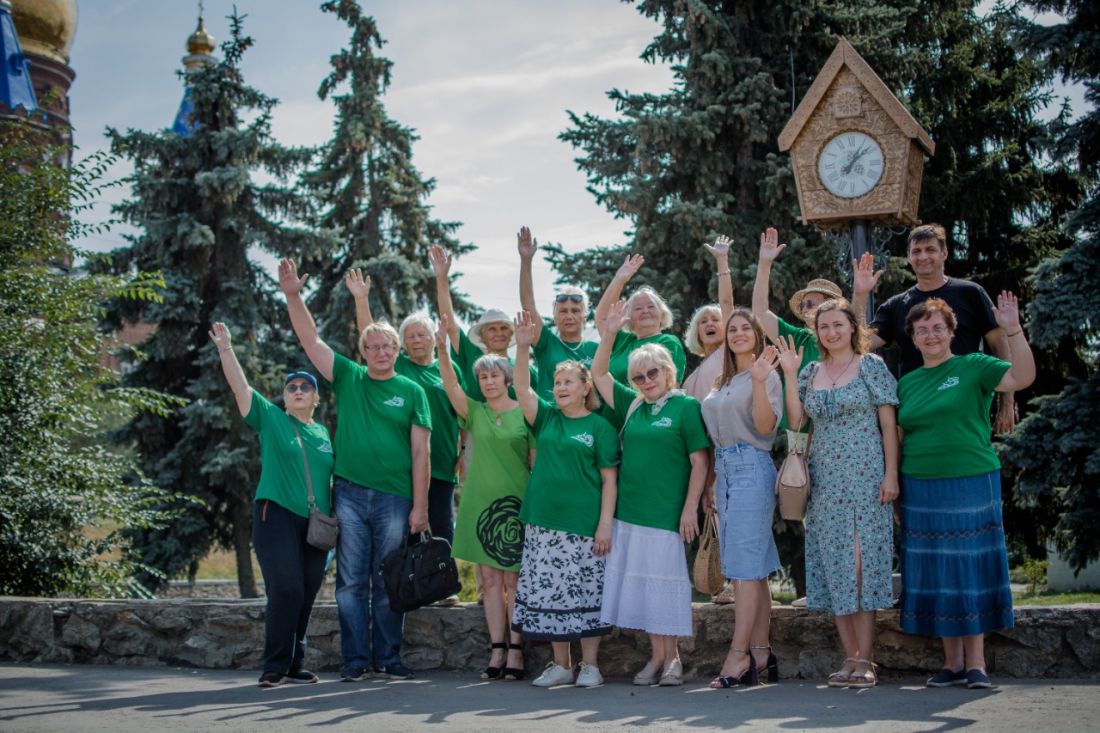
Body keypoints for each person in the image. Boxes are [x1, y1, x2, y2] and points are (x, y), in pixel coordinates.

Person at [279, 259, 431, 683]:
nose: (381, 352)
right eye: (373, 347)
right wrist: (294, 295)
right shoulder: (349, 377)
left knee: (388, 582)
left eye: (388, 347)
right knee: (349, 583)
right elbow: (311, 340)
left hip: (396, 499)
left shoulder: (412, 390)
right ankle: (356, 661)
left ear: (397, 351)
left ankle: (389, 658)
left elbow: (422, 454)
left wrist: (420, 507)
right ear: (363, 352)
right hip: (347, 493)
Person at [896, 295, 1035, 690]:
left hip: (971, 479)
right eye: (922, 330)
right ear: (913, 338)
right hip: (920, 484)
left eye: (938, 327)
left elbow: (1022, 378)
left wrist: (1013, 328)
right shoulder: (906, 382)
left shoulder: (974, 366)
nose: (931, 335)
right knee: (938, 570)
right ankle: (951, 664)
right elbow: (900, 437)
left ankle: (977, 665)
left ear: (952, 332)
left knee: (968, 569)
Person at [776, 298, 899, 689]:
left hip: (866, 479)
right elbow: (797, 421)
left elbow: (888, 425)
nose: (831, 332)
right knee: (836, 573)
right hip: (825, 483)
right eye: (824, 326)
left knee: (861, 572)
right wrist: (790, 373)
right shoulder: (811, 371)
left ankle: (868, 661)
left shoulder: (871, 367)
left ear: (852, 328)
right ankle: (850, 658)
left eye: (838, 325)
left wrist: (891, 475)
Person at [592, 302, 711, 687]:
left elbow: (699, 462)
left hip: (667, 514)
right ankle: (655, 657)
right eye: (639, 376)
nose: (646, 380)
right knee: (644, 588)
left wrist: (690, 508)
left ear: (669, 371)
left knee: (666, 588)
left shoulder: (686, 407)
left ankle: (673, 658)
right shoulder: (633, 404)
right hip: (630, 513)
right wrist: (609, 331)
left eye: (653, 373)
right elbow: (598, 373)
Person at [209, 323, 334, 688]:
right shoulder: (272, 419)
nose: (298, 391)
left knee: (308, 592)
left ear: (316, 399)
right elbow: (241, 387)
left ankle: (296, 663)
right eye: (291, 387)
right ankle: (274, 666)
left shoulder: (324, 434)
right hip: (275, 514)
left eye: (305, 387)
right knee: (287, 589)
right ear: (284, 397)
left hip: (315, 524)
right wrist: (226, 349)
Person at [510, 311, 620, 688]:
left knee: (587, 595)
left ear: (585, 386)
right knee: (551, 596)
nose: (559, 387)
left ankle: (589, 666)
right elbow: (522, 389)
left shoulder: (599, 427)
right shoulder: (547, 419)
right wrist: (523, 346)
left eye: (567, 381)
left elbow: (609, 481)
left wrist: (605, 523)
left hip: (585, 526)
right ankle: (561, 665)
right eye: (556, 381)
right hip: (543, 523)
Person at [347, 270, 462, 607]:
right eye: (409, 336)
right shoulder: (402, 370)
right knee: (406, 531)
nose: (415, 340)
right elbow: (371, 336)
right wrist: (361, 300)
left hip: (441, 464)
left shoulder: (446, 369)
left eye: (421, 334)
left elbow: (465, 412)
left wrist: (464, 450)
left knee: (442, 525)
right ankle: (408, 588)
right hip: (405, 468)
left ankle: (443, 588)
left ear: (431, 338)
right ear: (402, 344)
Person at [436, 314, 535, 681]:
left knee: (514, 582)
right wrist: (443, 350)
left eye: (494, 375)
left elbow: (534, 462)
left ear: (507, 380)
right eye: (482, 377)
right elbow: (449, 385)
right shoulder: (473, 412)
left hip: (515, 507)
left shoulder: (525, 413)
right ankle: (496, 649)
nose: (488, 381)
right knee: (490, 582)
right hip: (479, 506)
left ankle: (516, 649)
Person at [853, 223, 1017, 433]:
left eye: (930, 249)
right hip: (916, 407)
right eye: (916, 251)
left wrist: (1007, 403)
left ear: (944, 253)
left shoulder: (971, 293)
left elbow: (1000, 345)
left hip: (964, 407)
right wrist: (860, 295)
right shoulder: (896, 305)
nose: (923, 256)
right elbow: (860, 343)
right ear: (910, 257)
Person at [700, 308, 785, 687]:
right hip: (726, 472)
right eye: (731, 328)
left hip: (752, 467)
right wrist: (712, 483)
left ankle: (738, 657)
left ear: (756, 335)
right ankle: (763, 654)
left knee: (743, 571)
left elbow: (766, 428)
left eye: (744, 328)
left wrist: (762, 382)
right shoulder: (723, 381)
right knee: (755, 568)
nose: (736, 333)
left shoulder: (764, 374)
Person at [681, 235, 736, 605]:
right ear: (697, 334)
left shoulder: (731, 355)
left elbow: (731, 306)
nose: (713, 324)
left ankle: (738, 582)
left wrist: (722, 263)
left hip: (733, 447)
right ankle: (724, 581)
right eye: (705, 322)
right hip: (707, 458)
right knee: (715, 510)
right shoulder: (690, 378)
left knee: (735, 513)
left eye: (716, 319)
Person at [752, 226, 843, 432]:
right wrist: (765, 263)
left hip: (838, 437)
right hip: (800, 437)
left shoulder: (848, 341)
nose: (805, 309)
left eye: (811, 304)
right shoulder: (798, 338)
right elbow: (759, 311)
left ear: (830, 306)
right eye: (803, 305)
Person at [430, 244, 536, 401]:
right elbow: (450, 324)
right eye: (492, 329)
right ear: (482, 335)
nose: (499, 333)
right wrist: (441, 277)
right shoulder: (471, 353)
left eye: (503, 328)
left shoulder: (523, 367)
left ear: (511, 333)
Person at [517, 226, 598, 401]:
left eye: (575, 311)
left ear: (584, 315)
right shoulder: (546, 343)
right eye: (563, 311)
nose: (569, 316)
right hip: (551, 421)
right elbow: (528, 305)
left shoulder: (595, 350)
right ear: (555, 316)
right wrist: (526, 260)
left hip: (586, 424)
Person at [593, 254, 687, 385]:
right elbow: (603, 318)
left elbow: (672, 386)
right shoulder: (623, 341)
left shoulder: (669, 342)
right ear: (629, 317)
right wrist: (619, 280)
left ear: (662, 313)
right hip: (615, 405)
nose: (645, 311)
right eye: (638, 308)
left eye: (651, 306)